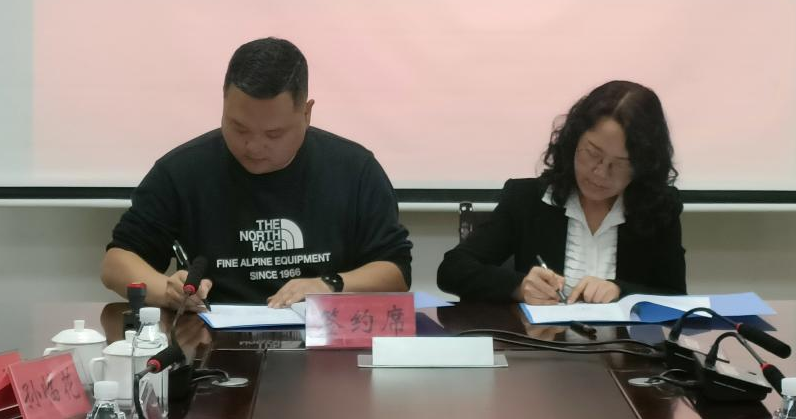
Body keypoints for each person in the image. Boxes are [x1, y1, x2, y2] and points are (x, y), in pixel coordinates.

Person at [101, 37, 412, 309]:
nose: (253, 146)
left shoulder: (354, 170)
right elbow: (116, 263)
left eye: (273, 134)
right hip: (211, 342)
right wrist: (167, 292)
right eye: (238, 128)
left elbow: (396, 271)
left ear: (306, 113)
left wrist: (329, 284)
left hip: (322, 339)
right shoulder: (183, 170)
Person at [437, 80, 684, 304]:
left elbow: (676, 298)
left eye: (620, 164)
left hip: (623, 341)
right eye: (592, 153)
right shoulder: (527, 199)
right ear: (573, 141)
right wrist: (519, 287)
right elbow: (452, 270)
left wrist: (622, 291)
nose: (600, 173)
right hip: (540, 339)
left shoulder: (658, 208)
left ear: (643, 166)